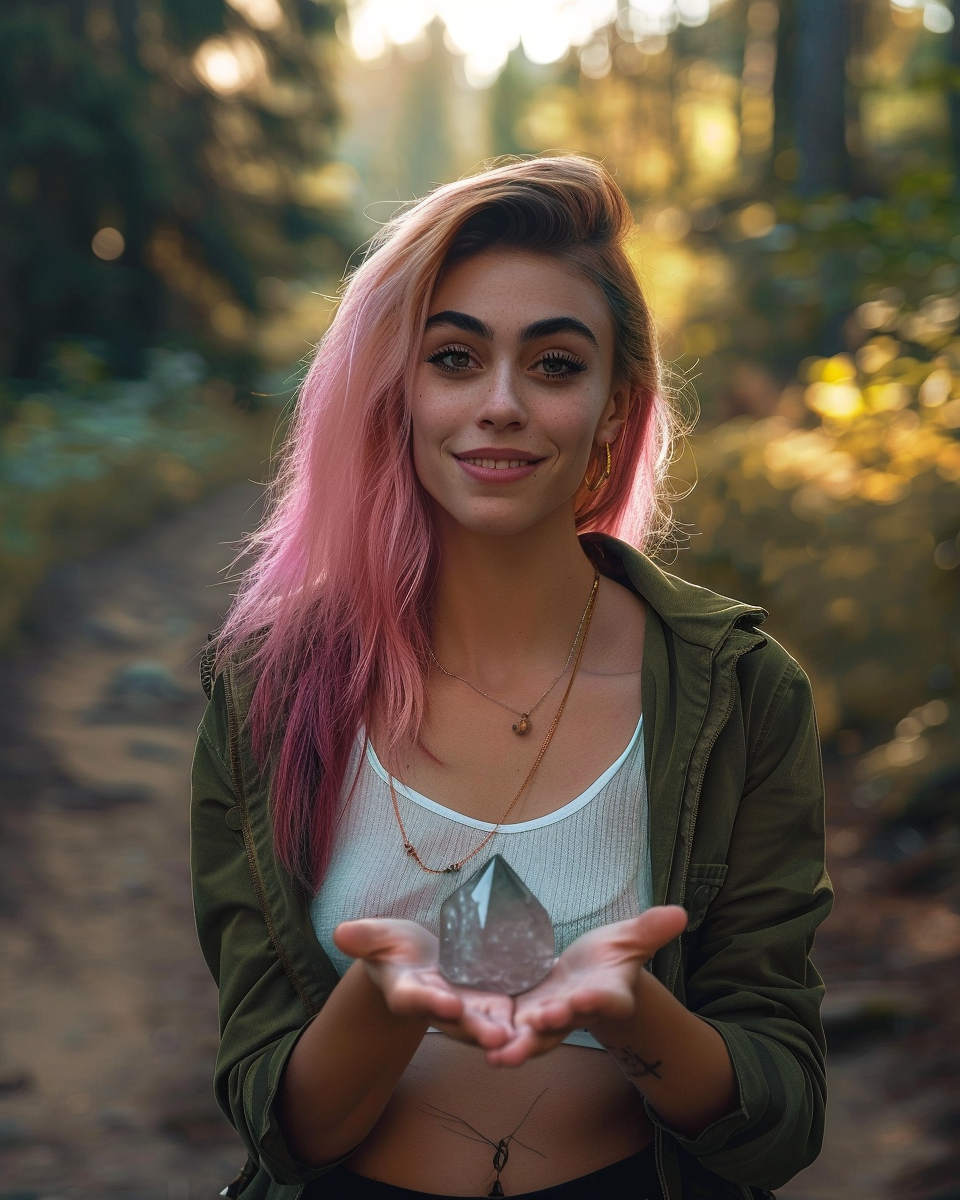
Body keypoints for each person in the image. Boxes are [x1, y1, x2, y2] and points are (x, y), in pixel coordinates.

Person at [191, 156, 831, 1200]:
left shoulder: (745, 694)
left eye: (554, 365)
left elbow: (780, 1120)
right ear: (396, 393)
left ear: (615, 410)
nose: (500, 404)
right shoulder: (266, 690)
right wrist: (383, 1002)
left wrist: (631, 1011)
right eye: (453, 357)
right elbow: (279, 1126)